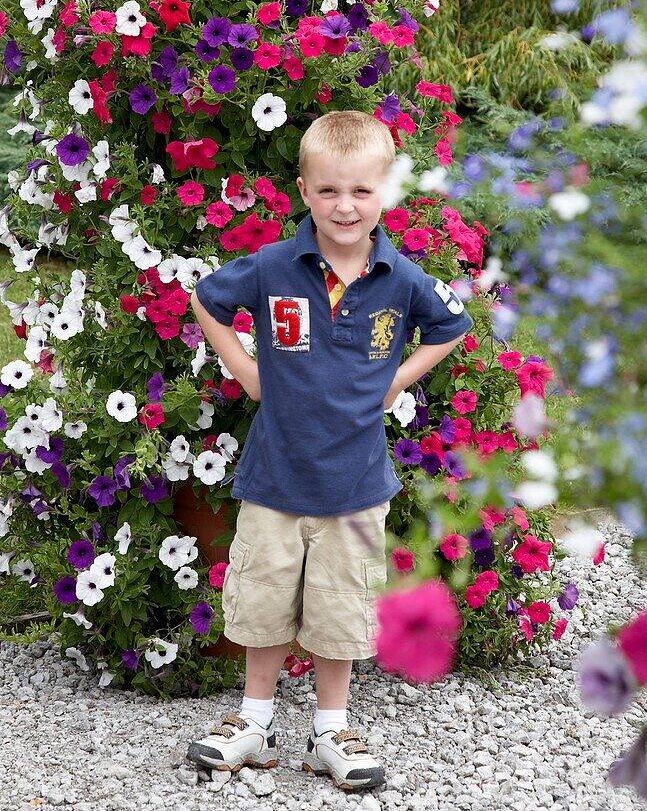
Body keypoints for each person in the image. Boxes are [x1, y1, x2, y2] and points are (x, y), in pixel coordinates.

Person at [186, 110, 473, 792]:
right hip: (273, 480)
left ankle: (328, 730)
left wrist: (397, 379)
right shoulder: (273, 266)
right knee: (261, 601)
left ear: (386, 194)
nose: (344, 206)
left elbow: (452, 323)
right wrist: (244, 369)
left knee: (340, 609)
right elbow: (206, 299)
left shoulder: (400, 279)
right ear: (304, 190)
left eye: (361, 192)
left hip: (354, 487)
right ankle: (254, 723)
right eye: (328, 191)